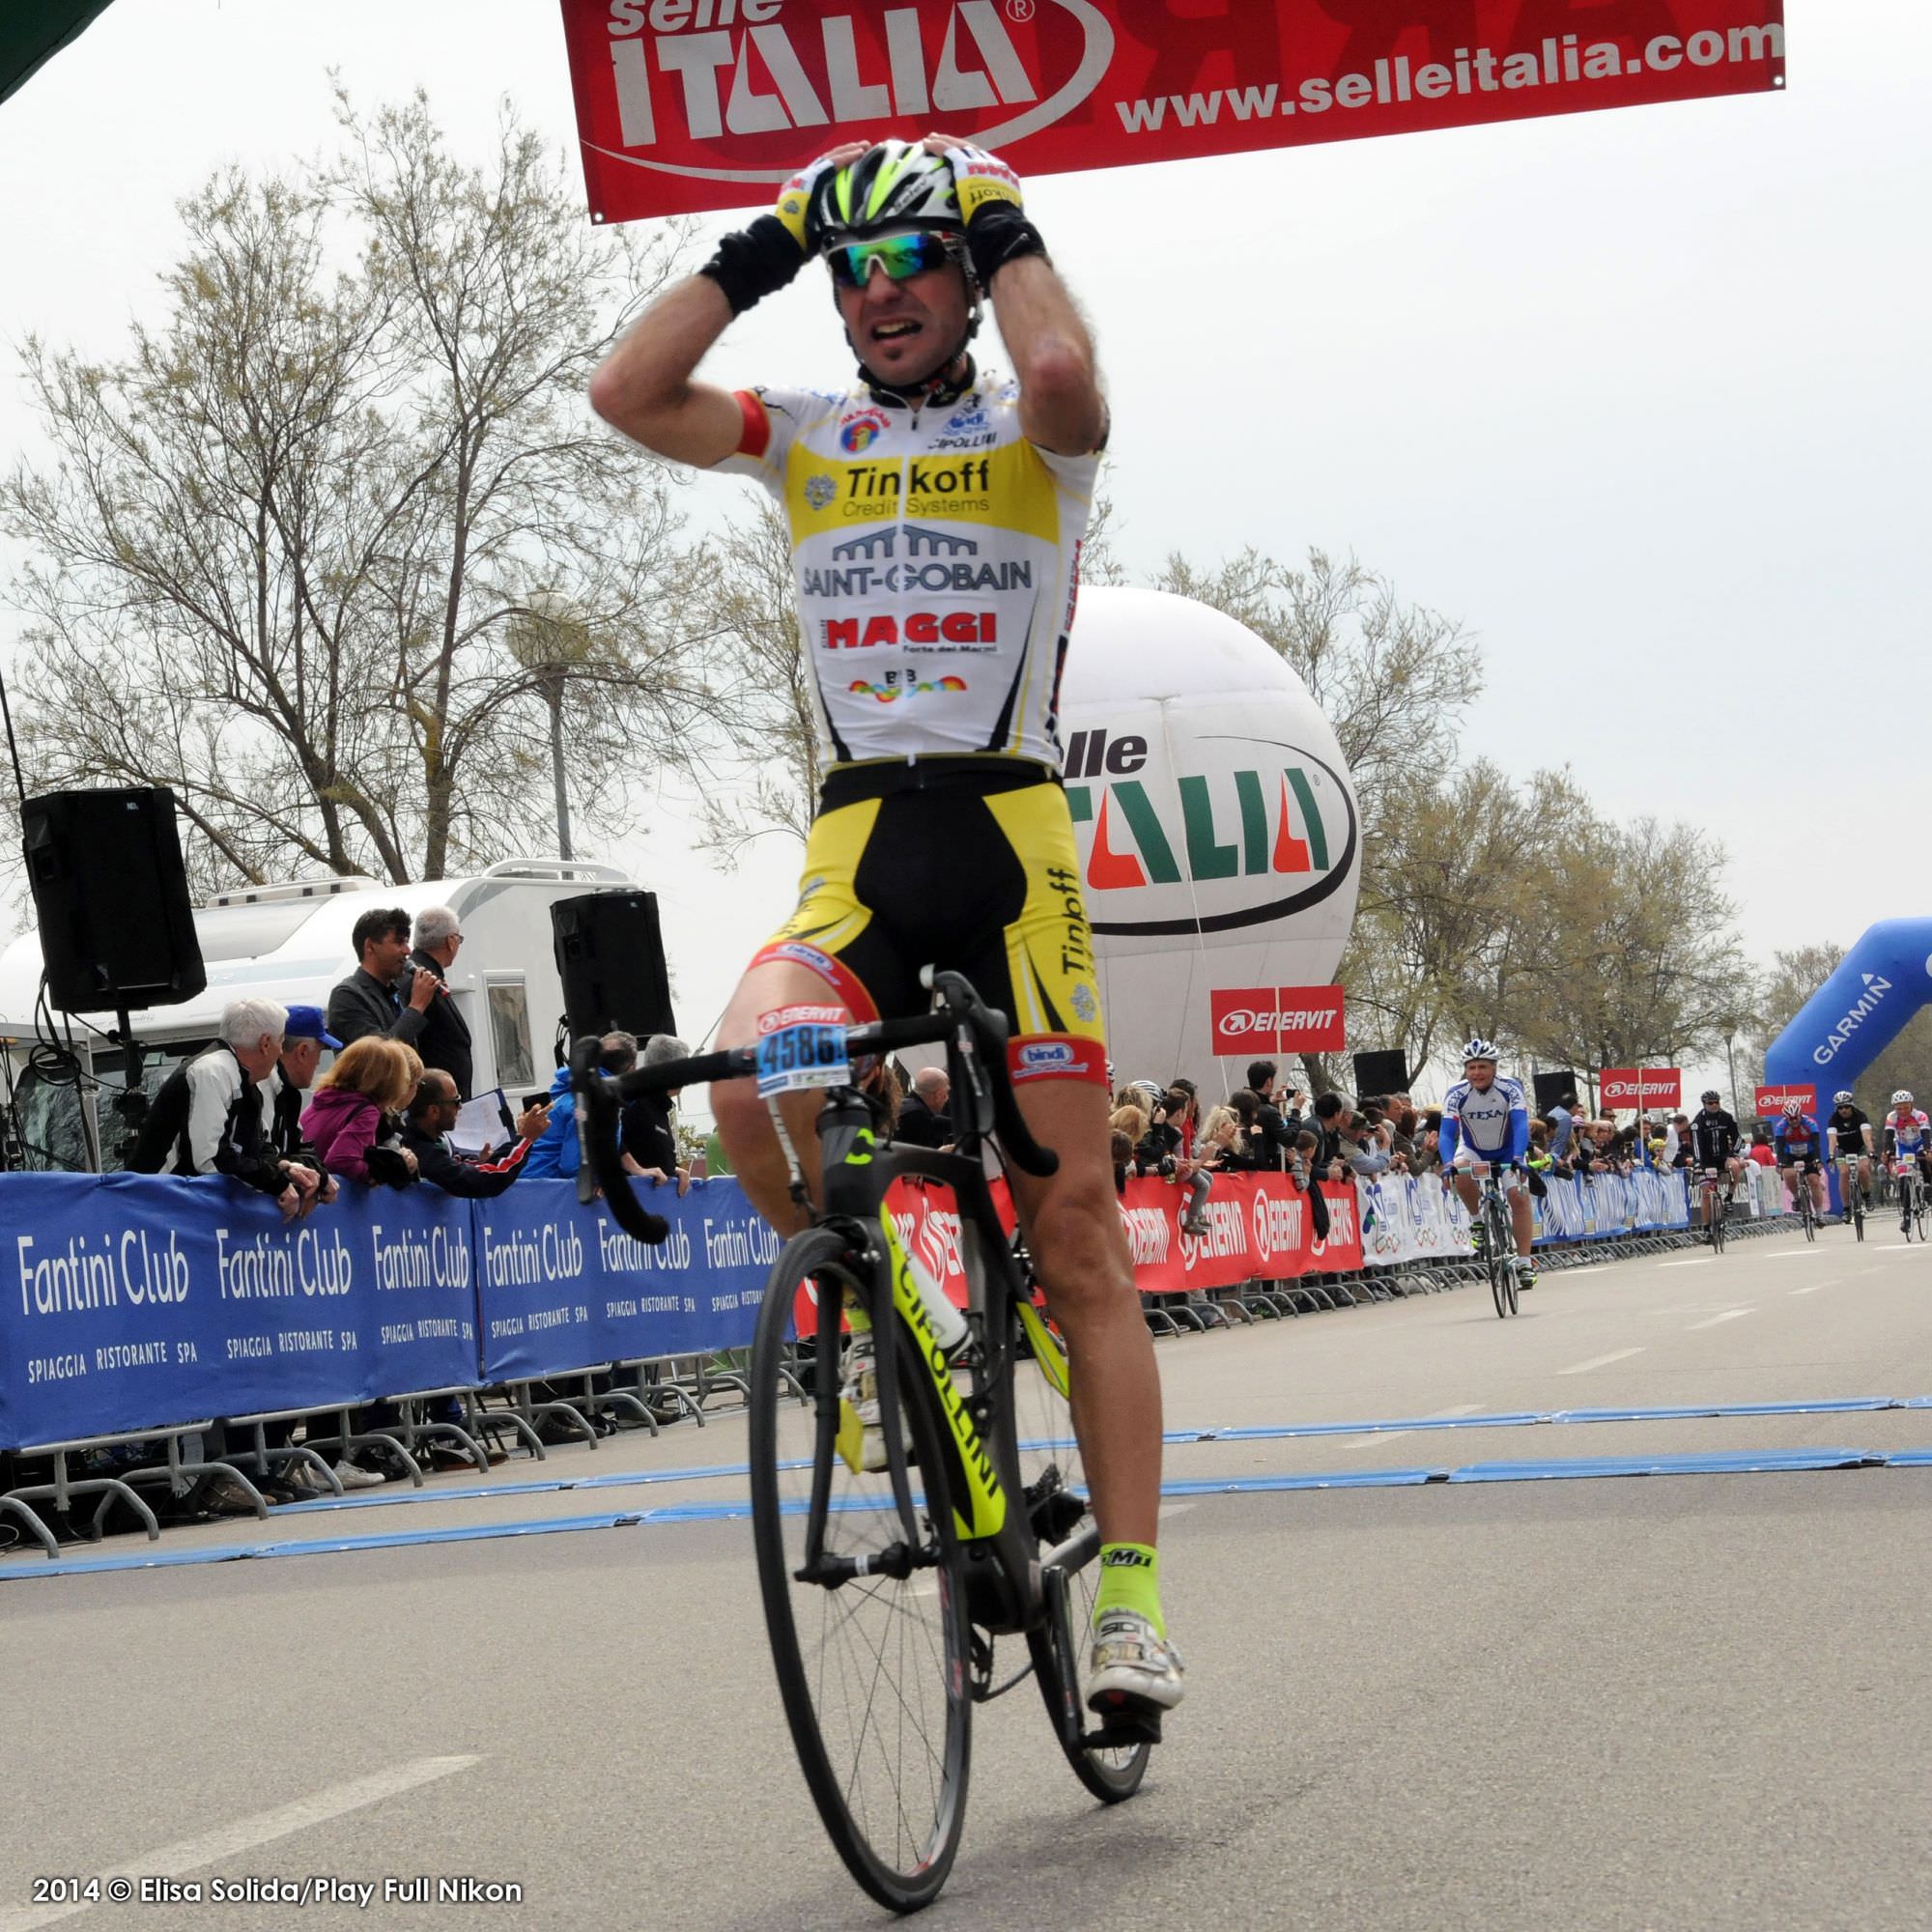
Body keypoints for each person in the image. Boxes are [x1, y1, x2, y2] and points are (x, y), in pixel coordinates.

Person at [589, 133, 1179, 1719]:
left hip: (1010, 845)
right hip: (857, 844)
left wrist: (997, 223)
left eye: (913, 261)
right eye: (860, 270)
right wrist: (775, 239)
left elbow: (1062, 363)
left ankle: (1129, 1600)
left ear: (967, 285)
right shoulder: (799, 430)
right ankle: (863, 1333)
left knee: (1075, 1237)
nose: (884, 289)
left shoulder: (1032, 431)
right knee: (739, 1090)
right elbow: (625, 393)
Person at [128, 996, 321, 1222]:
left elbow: (253, 1148)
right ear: (266, 1043)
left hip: (182, 1209)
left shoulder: (244, 1078)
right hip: (155, 1210)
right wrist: (275, 1182)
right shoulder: (210, 1071)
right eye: (281, 1041)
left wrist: (287, 1168)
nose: (281, 1052)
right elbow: (210, 1159)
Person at [1439, 1038, 1538, 1292]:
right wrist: (1448, 1163)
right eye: (1471, 1067)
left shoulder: (1510, 1088)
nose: (1477, 1073)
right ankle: (1477, 1222)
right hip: (1474, 1149)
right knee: (1461, 1171)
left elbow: (1519, 1125)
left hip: (1508, 1150)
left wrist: (1518, 1158)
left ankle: (1525, 1262)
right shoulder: (1456, 1093)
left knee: (1518, 1197)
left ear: (1494, 1067)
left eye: (1482, 1066)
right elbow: (1446, 1133)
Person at [399, 1070, 547, 1197]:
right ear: (434, 1111)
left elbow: (457, 1169)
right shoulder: (419, 1149)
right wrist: (525, 1138)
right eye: (456, 1101)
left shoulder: (429, 1142)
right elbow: (482, 1182)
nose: (461, 1107)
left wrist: (479, 1164)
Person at [301, 1037, 422, 1185]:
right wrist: (373, 1175)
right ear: (390, 1081)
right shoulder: (366, 1112)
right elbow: (340, 1161)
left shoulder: (324, 1099)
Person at [327, 907, 440, 1053]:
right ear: (370, 946)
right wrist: (417, 1006)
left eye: (407, 942)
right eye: (399, 942)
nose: (408, 951)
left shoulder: (393, 994)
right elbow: (381, 1055)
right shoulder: (347, 996)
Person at [261, 1006, 341, 1209]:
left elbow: (301, 1149)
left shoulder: (287, 1092)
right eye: (320, 1054)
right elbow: (263, 1156)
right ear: (303, 1051)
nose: (317, 1064)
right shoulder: (262, 1090)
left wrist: (319, 1175)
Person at [408, 905, 474, 1100]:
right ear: (451, 941)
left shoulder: (427, 974)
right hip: (432, 1105)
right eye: (459, 939)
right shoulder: (419, 979)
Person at [621, 1034, 694, 1193]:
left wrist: (672, 1169)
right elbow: (604, 1139)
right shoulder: (633, 1102)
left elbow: (649, 1155)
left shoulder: (659, 1106)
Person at [1688, 1089, 1743, 1233]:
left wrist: (1734, 1153)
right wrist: (1698, 1163)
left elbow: (1737, 1138)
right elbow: (1695, 1144)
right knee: (1706, 1193)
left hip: (1723, 1157)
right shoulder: (1697, 1122)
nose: (1714, 1105)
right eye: (1710, 1103)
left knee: (1736, 1166)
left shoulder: (1727, 1117)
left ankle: (1729, 1198)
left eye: (1716, 1102)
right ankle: (1706, 1228)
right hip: (1705, 1161)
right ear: (1704, 1104)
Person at [1883, 1090, 1931, 1231]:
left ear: (1911, 1105)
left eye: (1905, 1107)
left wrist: (1928, 1150)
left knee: (1924, 1158)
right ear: (1894, 1108)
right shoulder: (1891, 1117)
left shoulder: (1920, 1116)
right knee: (1904, 1179)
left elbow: (1926, 1134)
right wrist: (1888, 1153)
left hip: (1920, 1144)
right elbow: (1888, 1136)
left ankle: (1927, 1184)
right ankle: (1907, 1219)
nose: (1902, 1111)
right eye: (1899, 1108)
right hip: (1903, 1147)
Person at [1773, 1097, 1828, 1221]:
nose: (1794, 1121)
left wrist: (1818, 1159)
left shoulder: (1810, 1123)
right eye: (1790, 1118)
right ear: (1785, 1117)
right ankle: (1797, 1197)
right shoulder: (1781, 1126)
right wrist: (1780, 1163)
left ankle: (1819, 1215)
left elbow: (1816, 1143)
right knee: (1788, 1174)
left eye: (1796, 1117)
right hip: (1790, 1156)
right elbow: (1780, 1147)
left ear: (1800, 1115)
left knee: (1814, 1181)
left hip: (1809, 1154)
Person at [1824, 1089, 1874, 1208]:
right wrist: (1831, 1154)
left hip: (1860, 1148)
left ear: (1851, 1106)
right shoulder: (1834, 1119)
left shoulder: (1860, 1116)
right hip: (1843, 1150)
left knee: (1862, 1169)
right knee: (1844, 1173)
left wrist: (1871, 1151)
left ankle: (1867, 1195)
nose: (1843, 1110)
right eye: (1840, 1108)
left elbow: (1867, 1137)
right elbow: (1832, 1139)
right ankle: (1846, 1208)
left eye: (1846, 1107)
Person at [895, 1065, 953, 1149]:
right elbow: (919, 1159)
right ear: (939, 1095)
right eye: (946, 1093)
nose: (947, 1098)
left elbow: (937, 1122)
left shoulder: (906, 1105)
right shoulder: (918, 1116)